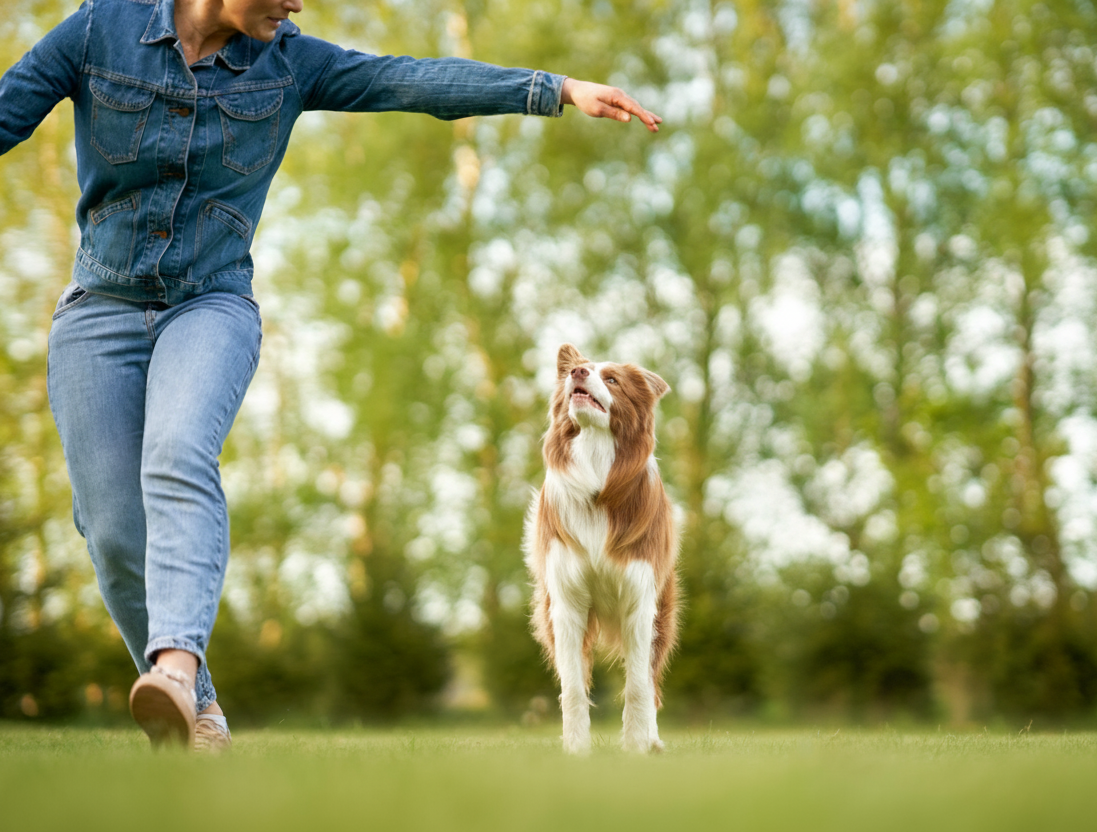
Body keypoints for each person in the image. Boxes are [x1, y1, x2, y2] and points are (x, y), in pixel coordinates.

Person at [0, 0, 661, 751]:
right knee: (113, 527)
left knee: (177, 455)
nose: (296, 5)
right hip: (100, 311)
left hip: (210, 305)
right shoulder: (99, 30)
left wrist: (556, 88)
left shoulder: (289, 61)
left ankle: (175, 672)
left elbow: (409, 80)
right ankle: (200, 714)